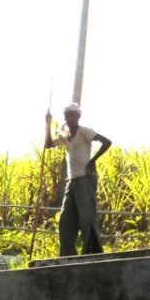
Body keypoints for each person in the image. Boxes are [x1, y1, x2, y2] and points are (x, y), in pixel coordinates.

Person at [44, 103, 112, 256]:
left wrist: (92, 160)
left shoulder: (84, 132)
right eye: (66, 115)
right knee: (65, 221)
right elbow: (48, 145)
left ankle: (93, 255)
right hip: (72, 181)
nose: (67, 118)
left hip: (85, 179)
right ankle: (68, 257)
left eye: (70, 115)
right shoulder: (66, 136)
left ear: (77, 116)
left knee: (87, 219)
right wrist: (48, 124)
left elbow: (106, 142)